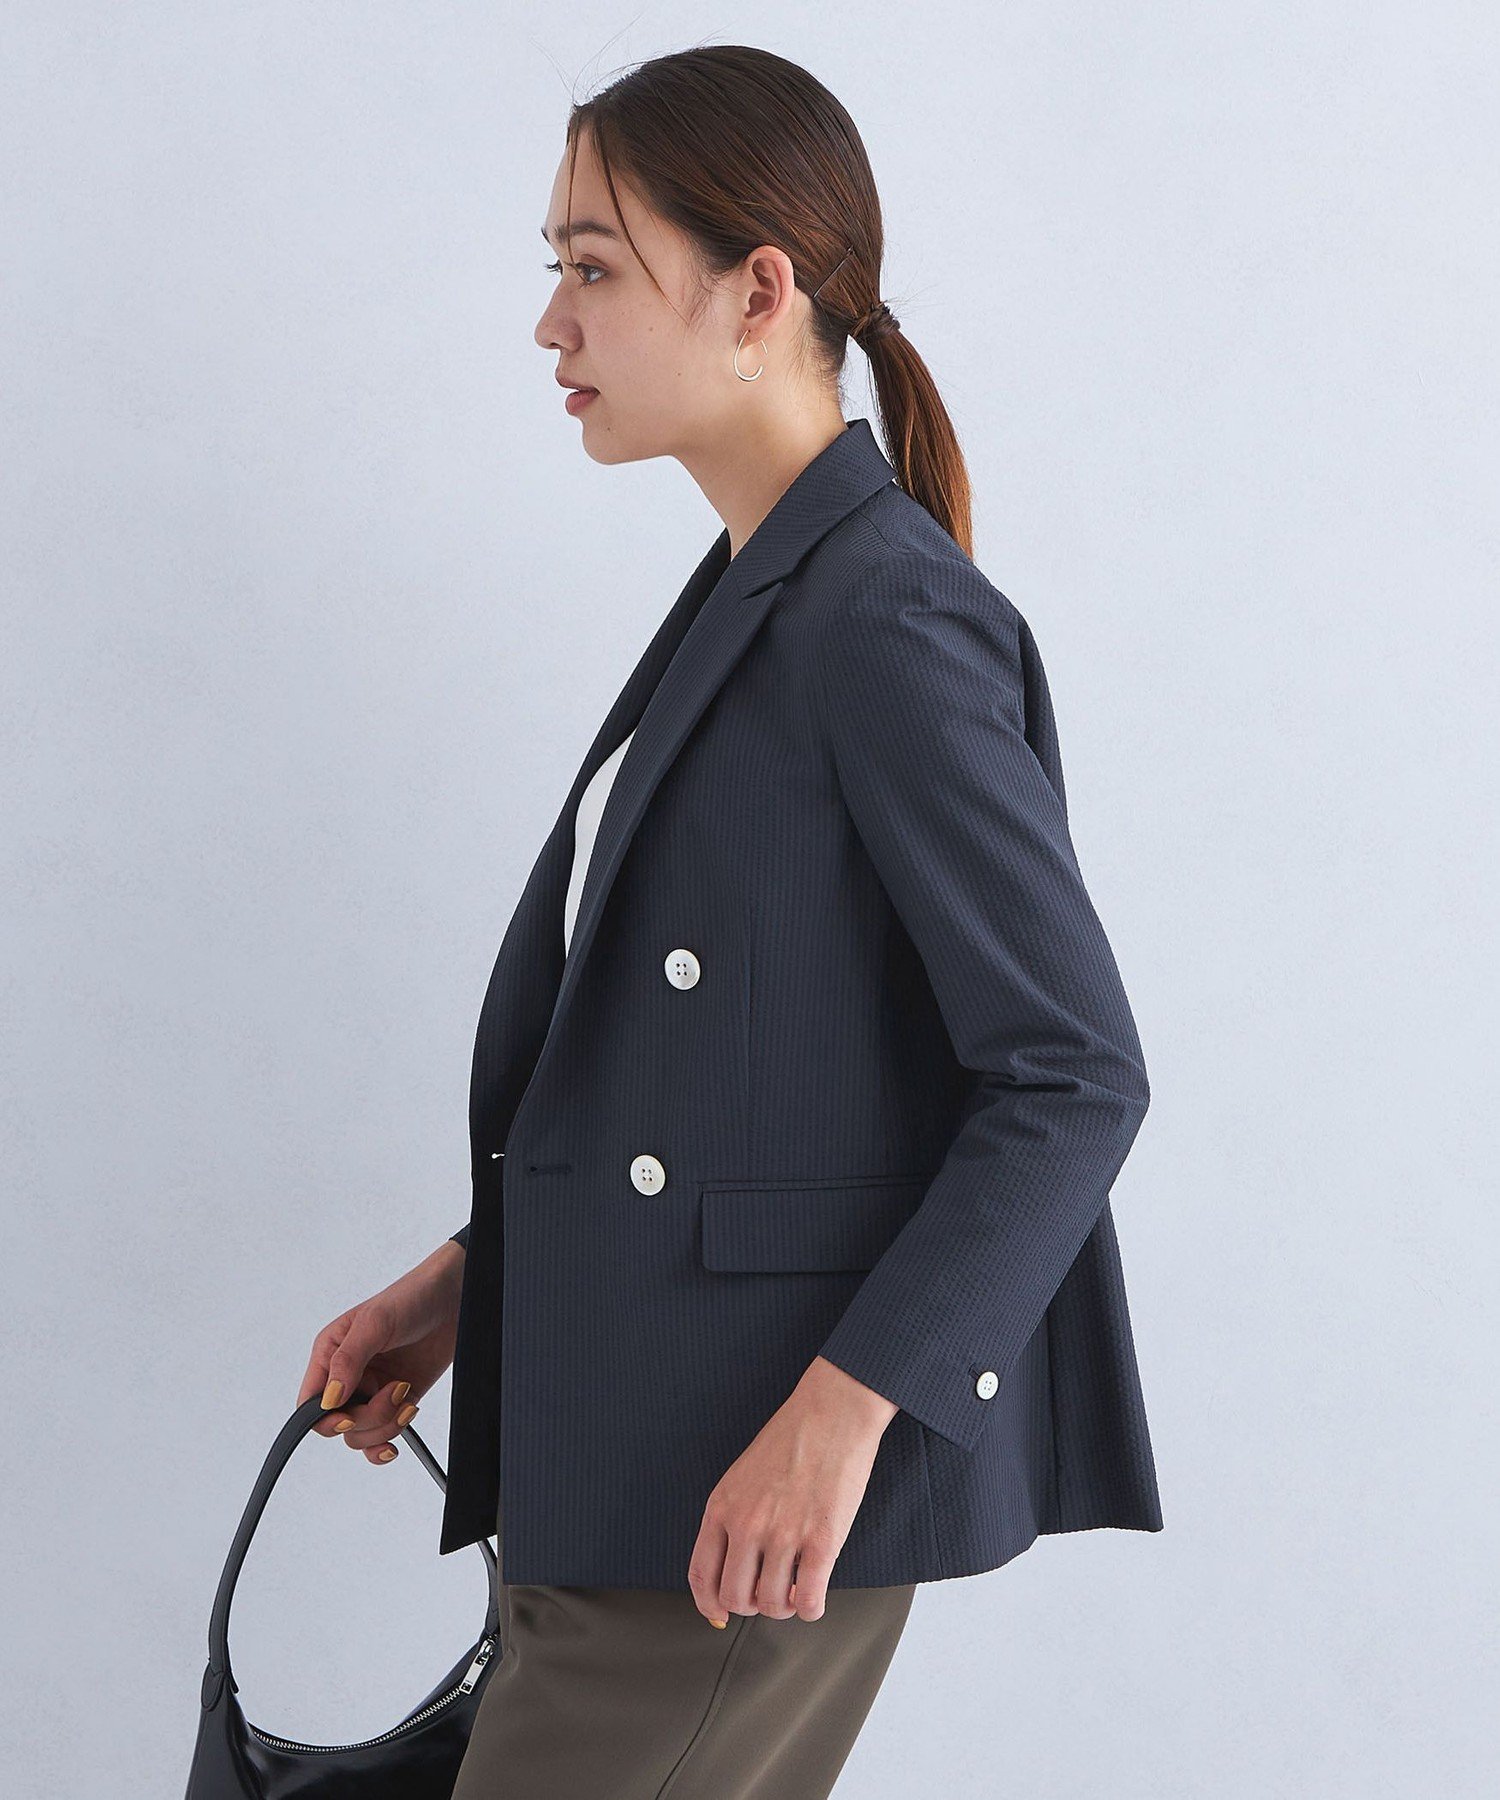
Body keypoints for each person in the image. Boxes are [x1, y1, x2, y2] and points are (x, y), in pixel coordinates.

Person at [296, 44, 1161, 1800]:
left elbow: (1074, 1077)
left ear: (759, 292)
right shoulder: (767, 589)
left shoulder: (884, 618)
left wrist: (844, 1415)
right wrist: (474, 1282)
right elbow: (733, 1076)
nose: (552, 323)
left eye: (594, 269)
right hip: (643, 1476)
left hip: (733, 1507)